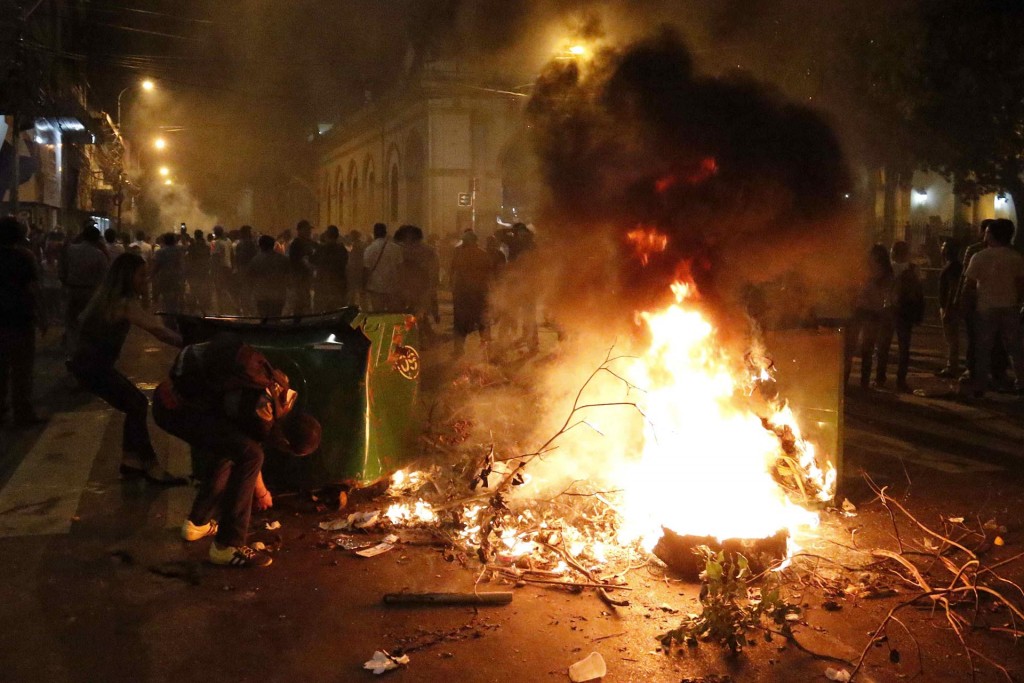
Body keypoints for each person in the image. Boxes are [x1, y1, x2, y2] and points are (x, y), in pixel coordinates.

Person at [153, 335, 321, 568]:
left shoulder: (279, 393)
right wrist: (261, 492)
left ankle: (197, 524)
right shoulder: (262, 414)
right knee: (250, 454)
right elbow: (251, 450)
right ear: (286, 442)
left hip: (172, 402)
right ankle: (227, 546)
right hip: (174, 410)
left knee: (232, 449)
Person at [68, 253, 187, 484]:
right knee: (137, 403)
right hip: (94, 367)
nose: (146, 280)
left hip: (87, 365)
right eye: (141, 275)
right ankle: (151, 467)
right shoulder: (124, 303)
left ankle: (130, 461)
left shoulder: (106, 298)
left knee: (135, 405)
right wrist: (190, 343)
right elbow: (158, 330)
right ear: (126, 276)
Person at [962, 218, 1024, 397]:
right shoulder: (1015, 257)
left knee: (983, 348)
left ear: (993, 235)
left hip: (986, 307)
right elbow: (1020, 284)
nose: (984, 234)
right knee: (1015, 348)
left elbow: (970, 284)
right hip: (1010, 306)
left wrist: (965, 305)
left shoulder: (980, 256)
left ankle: (980, 385)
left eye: (987, 231)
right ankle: (1021, 383)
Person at [0, 216, 48, 426]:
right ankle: (22, 413)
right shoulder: (24, 256)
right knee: (22, 370)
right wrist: (42, 316)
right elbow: (33, 288)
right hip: (20, 319)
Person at [956, 220, 1009, 385]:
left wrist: (961, 301)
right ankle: (987, 373)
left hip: (985, 304)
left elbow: (966, 280)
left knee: (982, 341)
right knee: (987, 340)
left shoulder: (976, 252)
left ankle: (984, 374)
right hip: (998, 304)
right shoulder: (1012, 253)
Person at [875, 241, 924, 392]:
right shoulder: (914, 268)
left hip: (888, 309)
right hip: (905, 311)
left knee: (883, 346)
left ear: (893, 252)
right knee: (904, 348)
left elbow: (880, 288)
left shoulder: (888, 268)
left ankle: (880, 378)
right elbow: (919, 290)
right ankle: (901, 380)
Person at [844, 245, 894, 388]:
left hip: (869, 312)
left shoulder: (875, 273)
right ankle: (855, 382)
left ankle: (858, 382)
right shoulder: (881, 273)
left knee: (862, 348)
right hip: (865, 312)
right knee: (855, 348)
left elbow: (884, 294)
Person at [60, 222, 109, 358]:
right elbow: (105, 279)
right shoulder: (99, 255)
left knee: (71, 324)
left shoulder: (70, 250)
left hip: (72, 291)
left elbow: (62, 272)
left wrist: (66, 285)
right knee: (90, 324)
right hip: (91, 294)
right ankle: (86, 353)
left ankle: (72, 353)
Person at [450, 230, 495, 358]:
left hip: (468, 294)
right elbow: (489, 275)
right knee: (480, 323)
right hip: (473, 294)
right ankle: (485, 350)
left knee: (463, 323)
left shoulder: (461, 254)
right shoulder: (481, 254)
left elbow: (453, 272)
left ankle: (460, 349)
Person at [393, 225, 439, 340]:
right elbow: (434, 269)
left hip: (410, 286)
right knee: (419, 313)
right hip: (420, 286)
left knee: (413, 313)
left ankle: (417, 337)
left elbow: (397, 269)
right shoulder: (429, 250)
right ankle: (422, 337)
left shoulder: (400, 249)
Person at [936, 239, 963, 378]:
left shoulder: (953, 267)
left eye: (944, 246)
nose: (942, 248)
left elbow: (953, 288)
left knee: (951, 339)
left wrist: (947, 308)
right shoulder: (952, 265)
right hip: (949, 306)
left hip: (949, 307)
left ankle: (952, 367)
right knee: (951, 338)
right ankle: (952, 365)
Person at [362, 223, 403, 312]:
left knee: (378, 314)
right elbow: (400, 268)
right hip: (393, 287)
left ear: (374, 233)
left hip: (375, 287)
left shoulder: (369, 249)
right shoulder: (396, 248)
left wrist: (364, 285)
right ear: (385, 233)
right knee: (392, 315)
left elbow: (366, 269)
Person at [247, 235, 291, 317]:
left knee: (264, 320)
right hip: (279, 295)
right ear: (273, 244)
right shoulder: (283, 259)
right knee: (276, 318)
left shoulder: (255, 260)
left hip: (262, 296)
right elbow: (289, 277)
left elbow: (250, 279)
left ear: (260, 246)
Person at [312, 225, 348, 311]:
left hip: (323, 286)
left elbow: (313, 260)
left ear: (327, 236)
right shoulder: (342, 249)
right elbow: (344, 263)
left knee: (321, 313)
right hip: (338, 286)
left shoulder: (321, 249)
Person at [151, 233, 185, 321]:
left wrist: (151, 276)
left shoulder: (160, 252)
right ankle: (175, 315)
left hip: (165, 278)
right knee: (175, 297)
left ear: (164, 241)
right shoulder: (179, 251)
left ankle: (168, 317)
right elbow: (181, 264)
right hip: (177, 278)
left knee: (166, 298)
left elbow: (156, 266)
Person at [288, 220, 316, 315]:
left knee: (306, 300)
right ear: (300, 230)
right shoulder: (296, 244)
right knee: (299, 302)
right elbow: (296, 261)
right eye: (307, 229)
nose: (309, 231)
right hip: (299, 277)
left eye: (309, 229)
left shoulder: (309, 242)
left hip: (306, 277)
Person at [233, 225, 258, 314]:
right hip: (249, 269)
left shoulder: (240, 244)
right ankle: (251, 311)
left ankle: (246, 310)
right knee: (250, 291)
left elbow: (237, 258)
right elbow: (254, 256)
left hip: (242, 270)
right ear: (247, 233)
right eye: (250, 231)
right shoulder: (250, 243)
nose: (251, 233)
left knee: (244, 291)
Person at [210, 225, 235, 313]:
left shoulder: (216, 243)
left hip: (220, 269)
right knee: (228, 288)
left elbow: (215, 258)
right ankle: (232, 307)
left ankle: (222, 309)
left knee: (219, 290)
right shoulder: (228, 241)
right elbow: (232, 255)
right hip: (228, 267)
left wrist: (212, 271)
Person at [186, 229, 212, 313]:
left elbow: (189, 260)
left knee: (194, 290)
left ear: (195, 236)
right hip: (204, 271)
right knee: (203, 290)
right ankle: (203, 309)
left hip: (194, 272)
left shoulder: (191, 247)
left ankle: (192, 310)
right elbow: (208, 259)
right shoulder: (207, 247)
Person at [345, 230, 366, 308]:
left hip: (355, 270)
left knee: (354, 290)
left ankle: (353, 306)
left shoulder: (357, 245)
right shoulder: (360, 244)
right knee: (359, 291)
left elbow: (353, 259)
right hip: (359, 269)